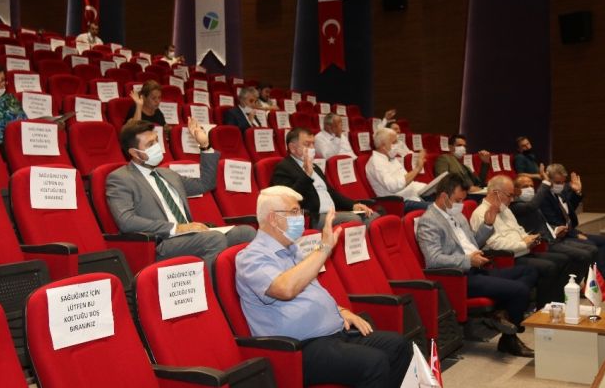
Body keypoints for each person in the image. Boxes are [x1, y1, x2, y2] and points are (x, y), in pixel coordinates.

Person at [236, 186, 411, 387]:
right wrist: (324, 248)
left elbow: (312, 292)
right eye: (294, 212)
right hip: (299, 348)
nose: (301, 218)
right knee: (374, 363)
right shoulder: (250, 257)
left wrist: (341, 310)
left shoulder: (293, 249)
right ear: (273, 219)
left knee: (399, 346)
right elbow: (285, 289)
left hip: (334, 332)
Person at [106, 120, 256, 273]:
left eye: (157, 141)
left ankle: (247, 283)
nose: (157, 146)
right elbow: (126, 221)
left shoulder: (167, 173)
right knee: (214, 239)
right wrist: (177, 228)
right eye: (150, 144)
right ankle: (212, 287)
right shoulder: (120, 178)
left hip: (190, 236)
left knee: (246, 232)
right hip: (161, 243)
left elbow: (206, 184)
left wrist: (205, 146)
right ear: (134, 153)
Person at [416, 174, 537, 357]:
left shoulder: (457, 215)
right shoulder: (429, 221)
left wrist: (487, 224)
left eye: (463, 200)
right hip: (461, 278)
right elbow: (433, 259)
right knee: (520, 290)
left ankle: (503, 315)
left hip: (478, 269)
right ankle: (509, 338)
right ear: (443, 196)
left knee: (529, 271)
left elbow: (473, 243)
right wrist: (467, 260)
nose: (461, 204)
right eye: (458, 200)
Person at [469, 175, 569, 309]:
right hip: (507, 258)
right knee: (549, 267)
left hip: (523, 251)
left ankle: (556, 305)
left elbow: (519, 230)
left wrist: (530, 238)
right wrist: (524, 243)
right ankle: (543, 308)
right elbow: (495, 244)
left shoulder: (505, 209)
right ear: (495, 193)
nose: (512, 199)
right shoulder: (480, 213)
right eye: (509, 195)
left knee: (562, 259)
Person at [538, 164, 605, 293]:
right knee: (590, 244)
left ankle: (602, 281)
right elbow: (555, 222)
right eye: (558, 182)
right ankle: (595, 284)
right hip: (558, 236)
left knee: (602, 241)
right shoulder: (544, 197)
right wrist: (575, 234)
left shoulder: (559, 192)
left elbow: (568, 211)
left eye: (563, 182)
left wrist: (577, 192)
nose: (561, 185)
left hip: (569, 231)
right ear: (549, 180)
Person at [271, 127, 377, 229]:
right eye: (307, 144)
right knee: (353, 219)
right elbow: (289, 200)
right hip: (312, 217)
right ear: (292, 148)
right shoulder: (283, 168)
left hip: (332, 213)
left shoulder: (315, 167)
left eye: (313, 144)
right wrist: (307, 175)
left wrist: (353, 205)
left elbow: (331, 192)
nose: (312, 148)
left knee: (372, 216)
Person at [510, 171, 599, 283]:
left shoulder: (534, 202)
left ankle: (578, 284)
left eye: (531, 186)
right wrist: (545, 183)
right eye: (525, 186)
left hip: (554, 236)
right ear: (516, 190)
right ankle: (572, 285)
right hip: (542, 243)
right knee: (583, 255)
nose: (530, 189)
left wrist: (556, 229)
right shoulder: (516, 206)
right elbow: (531, 207)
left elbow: (544, 223)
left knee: (592, 249)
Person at [365, 127, 430, 212]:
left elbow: (409, 182)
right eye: (394, 142)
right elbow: (393, 186)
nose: (397, 145)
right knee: (438, 208)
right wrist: (417, 169)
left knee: (441, 195)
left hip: (413, 195)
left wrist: (429, 188)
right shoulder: (375, 162)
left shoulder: (391, 157)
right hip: (399, 203)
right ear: (383, 146)